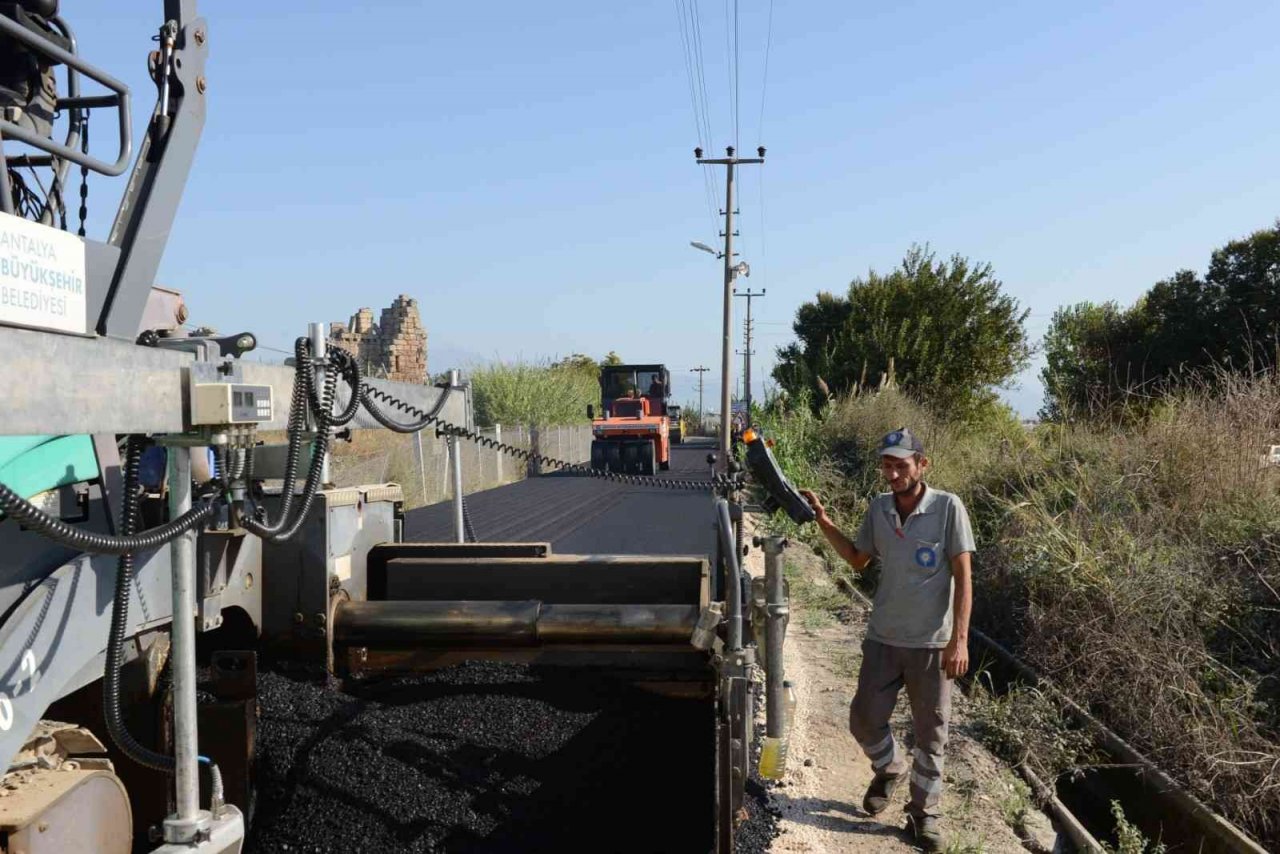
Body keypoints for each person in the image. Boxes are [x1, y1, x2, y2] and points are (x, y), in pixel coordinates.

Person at [799, 427, 974, 853]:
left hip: (932, 645)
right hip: (883, 638)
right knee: (863, 719)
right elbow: (859, 559)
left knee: (932, 734)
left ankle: (923, 814)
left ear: (921, 465)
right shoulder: (879, 509)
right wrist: (822, 520)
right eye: (887, 467)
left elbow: (965, 577)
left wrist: (960, 640)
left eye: (901, 466)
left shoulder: (948, 508)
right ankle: (890, 766)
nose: (893, 475)